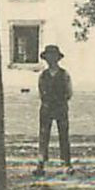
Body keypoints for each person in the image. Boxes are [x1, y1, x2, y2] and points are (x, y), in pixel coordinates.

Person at [34, 45, 73, 177]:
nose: (51, 59)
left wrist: (61, 100)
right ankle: (41, 163)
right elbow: (40, 91)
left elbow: (69, 92)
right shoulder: (43, 75)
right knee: (44, 135)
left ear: (57, 59)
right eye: (49, 57)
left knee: (63, 135)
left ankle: (66, 163)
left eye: (53, 57)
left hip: (61, 107)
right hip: (46, 107)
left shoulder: (64, 74)